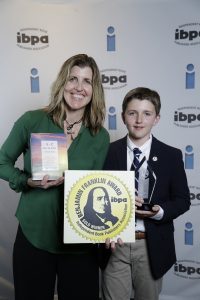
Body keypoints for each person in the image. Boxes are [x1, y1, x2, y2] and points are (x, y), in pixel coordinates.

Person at [0, 54, 110, 300]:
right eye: (73, 78)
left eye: (86, 81)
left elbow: (101, 187)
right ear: (63, 83)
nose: (79, 87)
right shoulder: (33, 120)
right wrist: (25, 180)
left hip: (81, 243)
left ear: (95, 90)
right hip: (34, 234)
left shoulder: (100, 136)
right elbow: (1, 162)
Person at [101, 87, 190, 300]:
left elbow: (183, 200)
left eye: (147, 114)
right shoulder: (107, 152)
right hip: (115, 244)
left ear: (156, 118)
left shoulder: (171, 155)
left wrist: (159, 211)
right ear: (123, 117)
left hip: (151, 245)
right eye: (132, 113)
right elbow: (94, 193)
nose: (139, 120)